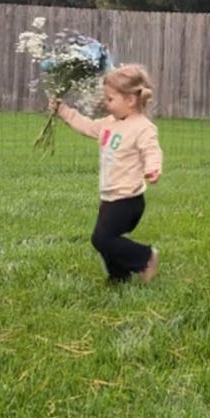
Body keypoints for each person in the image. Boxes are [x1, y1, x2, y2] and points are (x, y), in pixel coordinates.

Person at [52, 64, 164, 284]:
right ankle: (119, 276)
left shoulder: (142, 127)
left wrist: (153, 168)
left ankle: (145, 257)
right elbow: (86, 126)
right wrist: (62, 110)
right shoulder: (109, 124)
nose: (106, 103)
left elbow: (152, 150)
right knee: (107, 240)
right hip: (109, 197)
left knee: (101, 239)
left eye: (110, 99)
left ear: (130, 100)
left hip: (128, 199)